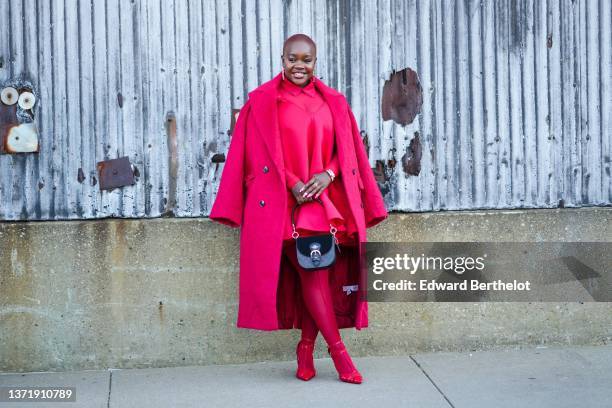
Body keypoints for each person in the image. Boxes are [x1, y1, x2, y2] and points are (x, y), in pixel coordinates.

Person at [209, 34, 388, 384]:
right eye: (293, 58)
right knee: (313, 275)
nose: (299, 65)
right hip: (281, 205)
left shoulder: (333, 102)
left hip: (323, 203)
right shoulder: (263, 102)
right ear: (282, 59)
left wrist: (328, 173)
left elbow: (347, 148)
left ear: (315, 62)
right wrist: (291, 181)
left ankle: (306, 347)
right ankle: (340, 356)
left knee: (317, 272)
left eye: (306, 59)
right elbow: (256, 153)